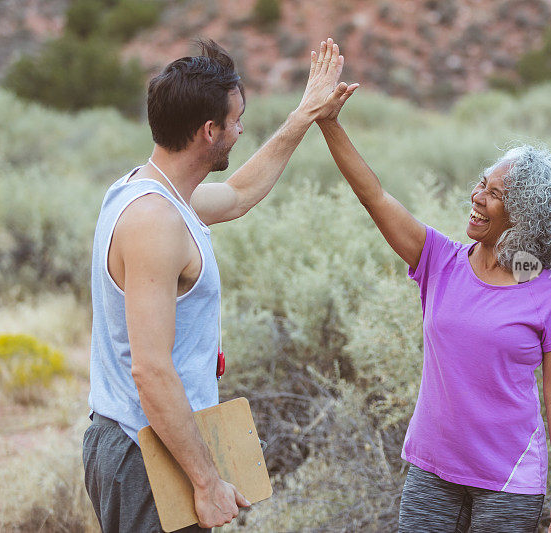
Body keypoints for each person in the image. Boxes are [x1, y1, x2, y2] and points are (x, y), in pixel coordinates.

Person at [82, 38, 359, 532]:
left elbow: (236, 195)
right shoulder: (154, 222)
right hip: (144, 451)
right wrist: (207, 482)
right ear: (209, 131)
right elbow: (149, 370)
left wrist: (305, 115)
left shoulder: (155, 195)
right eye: (235, 121)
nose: (241, 130)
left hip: (158, 446)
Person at [316, 109, 551, 531]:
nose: (477, 197)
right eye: (481, 182)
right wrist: (328, 121)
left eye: (495, 193)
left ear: (525, 217)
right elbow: (374, 196)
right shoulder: (439, 261)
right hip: (432, 472)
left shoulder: (548, 294)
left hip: (508, 483)